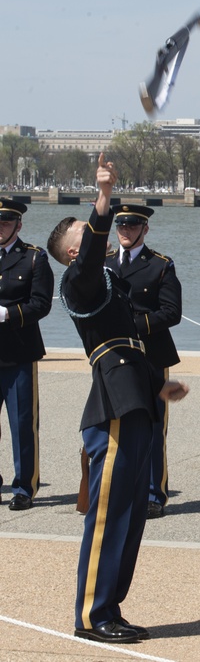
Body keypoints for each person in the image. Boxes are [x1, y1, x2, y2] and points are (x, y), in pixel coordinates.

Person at [47, 154, 188, 644]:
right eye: (85, 240)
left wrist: (158, 385)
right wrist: (103, 197)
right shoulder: (80, 281)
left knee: (129, 517)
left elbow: (134, 348)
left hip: (136, 398)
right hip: (111, 408)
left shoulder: (112, 285)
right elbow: (90, 255)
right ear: (72, 254)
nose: (96, 243)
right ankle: (91, 613)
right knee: (108, 516)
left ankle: (110, 605)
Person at [106, 204, 182, 520]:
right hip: (114, 356)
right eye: (121, 226)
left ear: (144, 230)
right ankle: (118, 489)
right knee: (114, 424)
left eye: (132, 226)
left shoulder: (160, 265)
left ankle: (154, 493)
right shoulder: (105, 263)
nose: (125, 230)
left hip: (150, 355)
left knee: (153, 427)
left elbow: (171, 312)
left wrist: (132, 326)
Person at [0, 198, 54, 511]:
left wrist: (7, 315)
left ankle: (24, 487)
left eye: (6, 222)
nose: (0, 227)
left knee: (22, 423)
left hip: (18, 354)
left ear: (18, 225)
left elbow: (41, 304)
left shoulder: (34, 258)